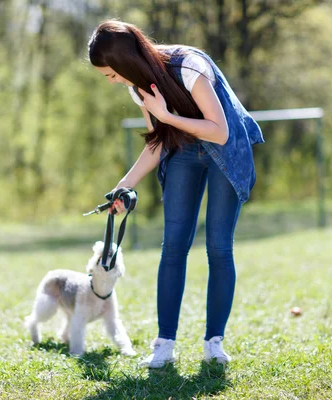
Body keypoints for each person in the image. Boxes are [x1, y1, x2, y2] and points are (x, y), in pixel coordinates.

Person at [88, 20, 264, 368]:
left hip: (225, 148)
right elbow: (157, 142)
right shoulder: (138, 88)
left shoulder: (188, 66)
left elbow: (219, 131)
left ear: (124, 62)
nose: (112, 81)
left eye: (110, 74)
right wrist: (124, 186)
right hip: (183, 150)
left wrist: (167, 114)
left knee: (218, 246)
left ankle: (214, 343)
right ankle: (164, 345)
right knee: (173, 247)